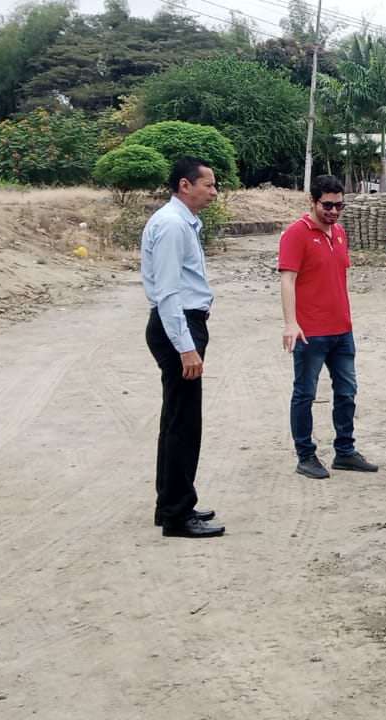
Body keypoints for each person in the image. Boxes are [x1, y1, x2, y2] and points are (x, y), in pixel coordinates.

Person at [142, 157, 224, 538]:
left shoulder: (180, 222)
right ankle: (178, 513)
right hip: (178, 326)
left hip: (182, 324)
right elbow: (168, 292)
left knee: (174, 419)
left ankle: (169, 504)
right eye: (208, 184)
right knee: (184, 424)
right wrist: (186, 347)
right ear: (184, 185)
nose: (214, 192)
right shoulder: (173, 225)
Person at [279, 174, 380, 478]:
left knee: (347, 392)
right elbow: (287, 279)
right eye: (327, 205)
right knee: (305, 394)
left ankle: (345, 451)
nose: (334, 211)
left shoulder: (338, 232)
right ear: (312, 201)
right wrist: (291, 323)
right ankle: (306, 455)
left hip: (341, 330)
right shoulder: (295, 234)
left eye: (339, 205)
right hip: (310, 332)